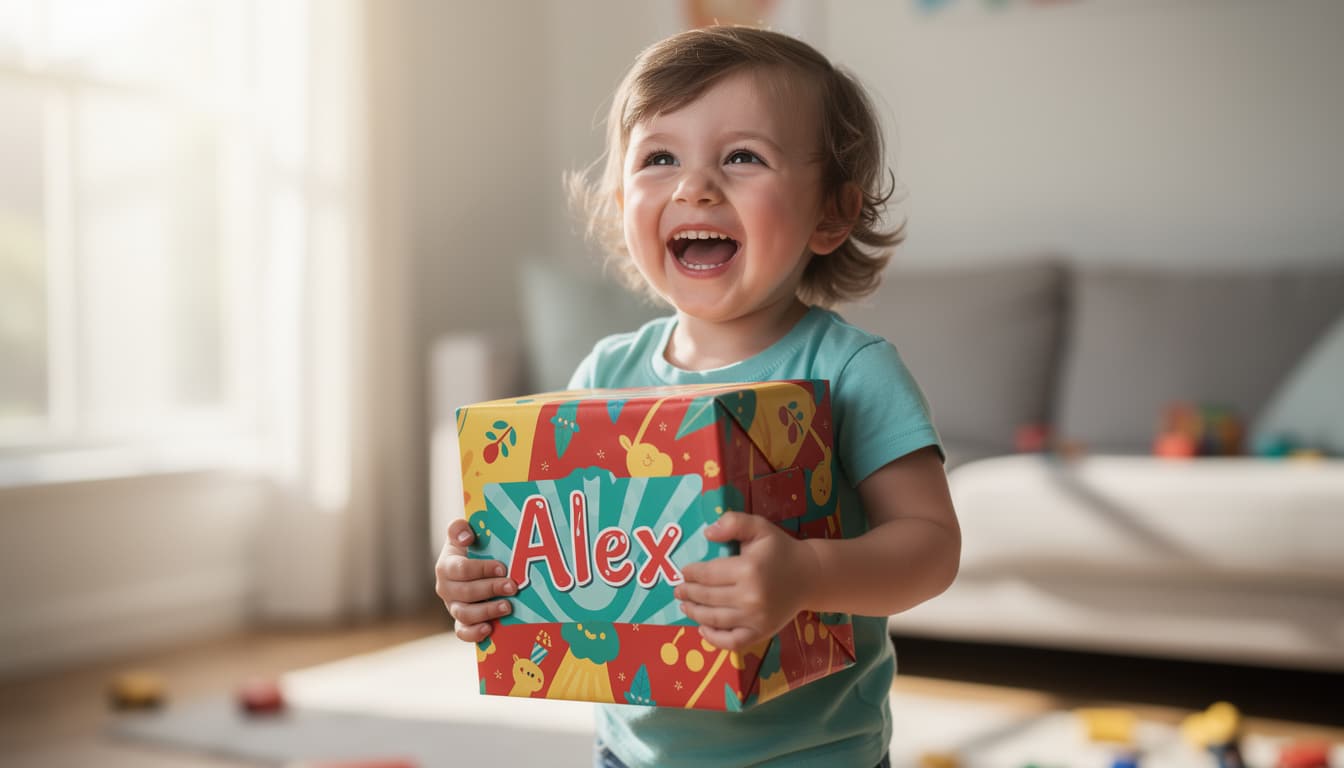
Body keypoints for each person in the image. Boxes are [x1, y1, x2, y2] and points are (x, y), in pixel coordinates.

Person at [435, 25, 961, 768]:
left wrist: (809, 575)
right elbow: (557, 542)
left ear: (830, 214)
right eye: (659, 158)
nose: (695, 185)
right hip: (633, 753)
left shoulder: (851, 370)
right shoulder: (604, 377)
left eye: (743, 156)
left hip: (818, 756)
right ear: (622, 202)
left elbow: (931, 549)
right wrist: (482, 576)